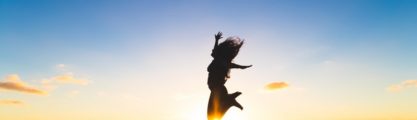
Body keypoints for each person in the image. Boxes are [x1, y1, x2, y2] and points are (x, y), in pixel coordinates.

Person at [207, 32, 252, 120]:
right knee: (212, 116)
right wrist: (241, 67)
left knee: (211, 117)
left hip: (217, 88)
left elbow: (215, 52)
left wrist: (241, 67)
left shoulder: (221, 60)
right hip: (218, 89)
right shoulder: (223, 61)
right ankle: (229, 101)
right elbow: (216, 52)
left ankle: (229, 100)